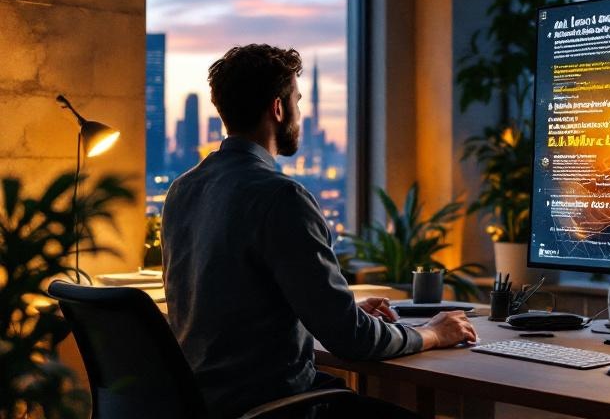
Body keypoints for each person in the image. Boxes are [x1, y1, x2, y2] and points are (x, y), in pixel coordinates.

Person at [161, 44, 477, 418]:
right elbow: (352, 340)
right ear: (278, 109)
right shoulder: (281, 197)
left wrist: (334, 310)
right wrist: (434, 333)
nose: (300, 112)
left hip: (206, 404)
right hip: (273, 407)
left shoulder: (182, 190)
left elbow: (236, 312)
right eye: (297, 100)